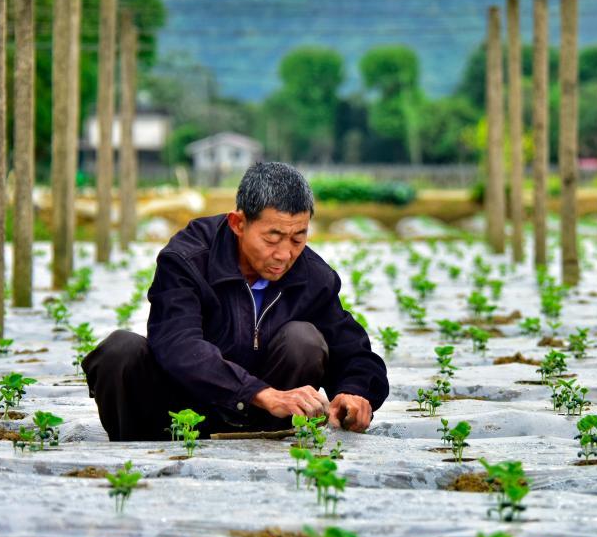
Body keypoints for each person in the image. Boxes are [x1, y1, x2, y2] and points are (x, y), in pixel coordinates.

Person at [82, 162, 389, 441]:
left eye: (298, 237)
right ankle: (136, 457)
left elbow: (353, 351)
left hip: (264, 424)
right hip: (175, 416)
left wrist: (356, 391)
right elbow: (178, 344)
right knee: (119, 351)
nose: (285, 254)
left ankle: (270, 444)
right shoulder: (188, 258)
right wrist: (259, 392)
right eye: (272, 237)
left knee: (304, 340)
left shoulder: (312, 276)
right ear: (238, 224)